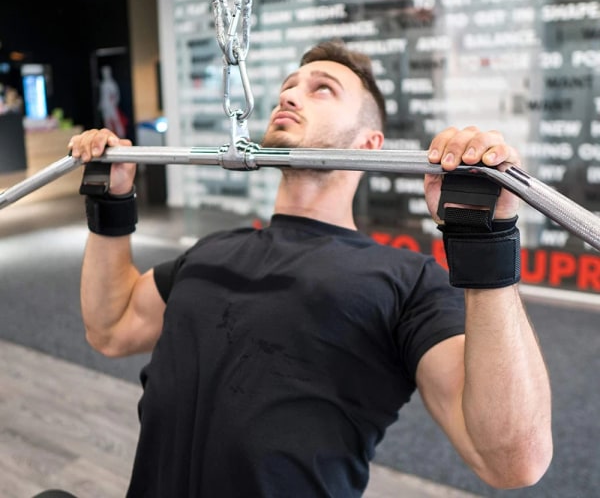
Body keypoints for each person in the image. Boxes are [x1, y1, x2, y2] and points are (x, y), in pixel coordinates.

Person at [68, 41, 552, 498]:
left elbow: (513, 461)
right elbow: (111, 328)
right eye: (289, 86)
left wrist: (482, 238)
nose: (291, 95)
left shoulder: (409, 283)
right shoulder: (213, 251)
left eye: (322, 88)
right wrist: (111, 205)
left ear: (370, 144)